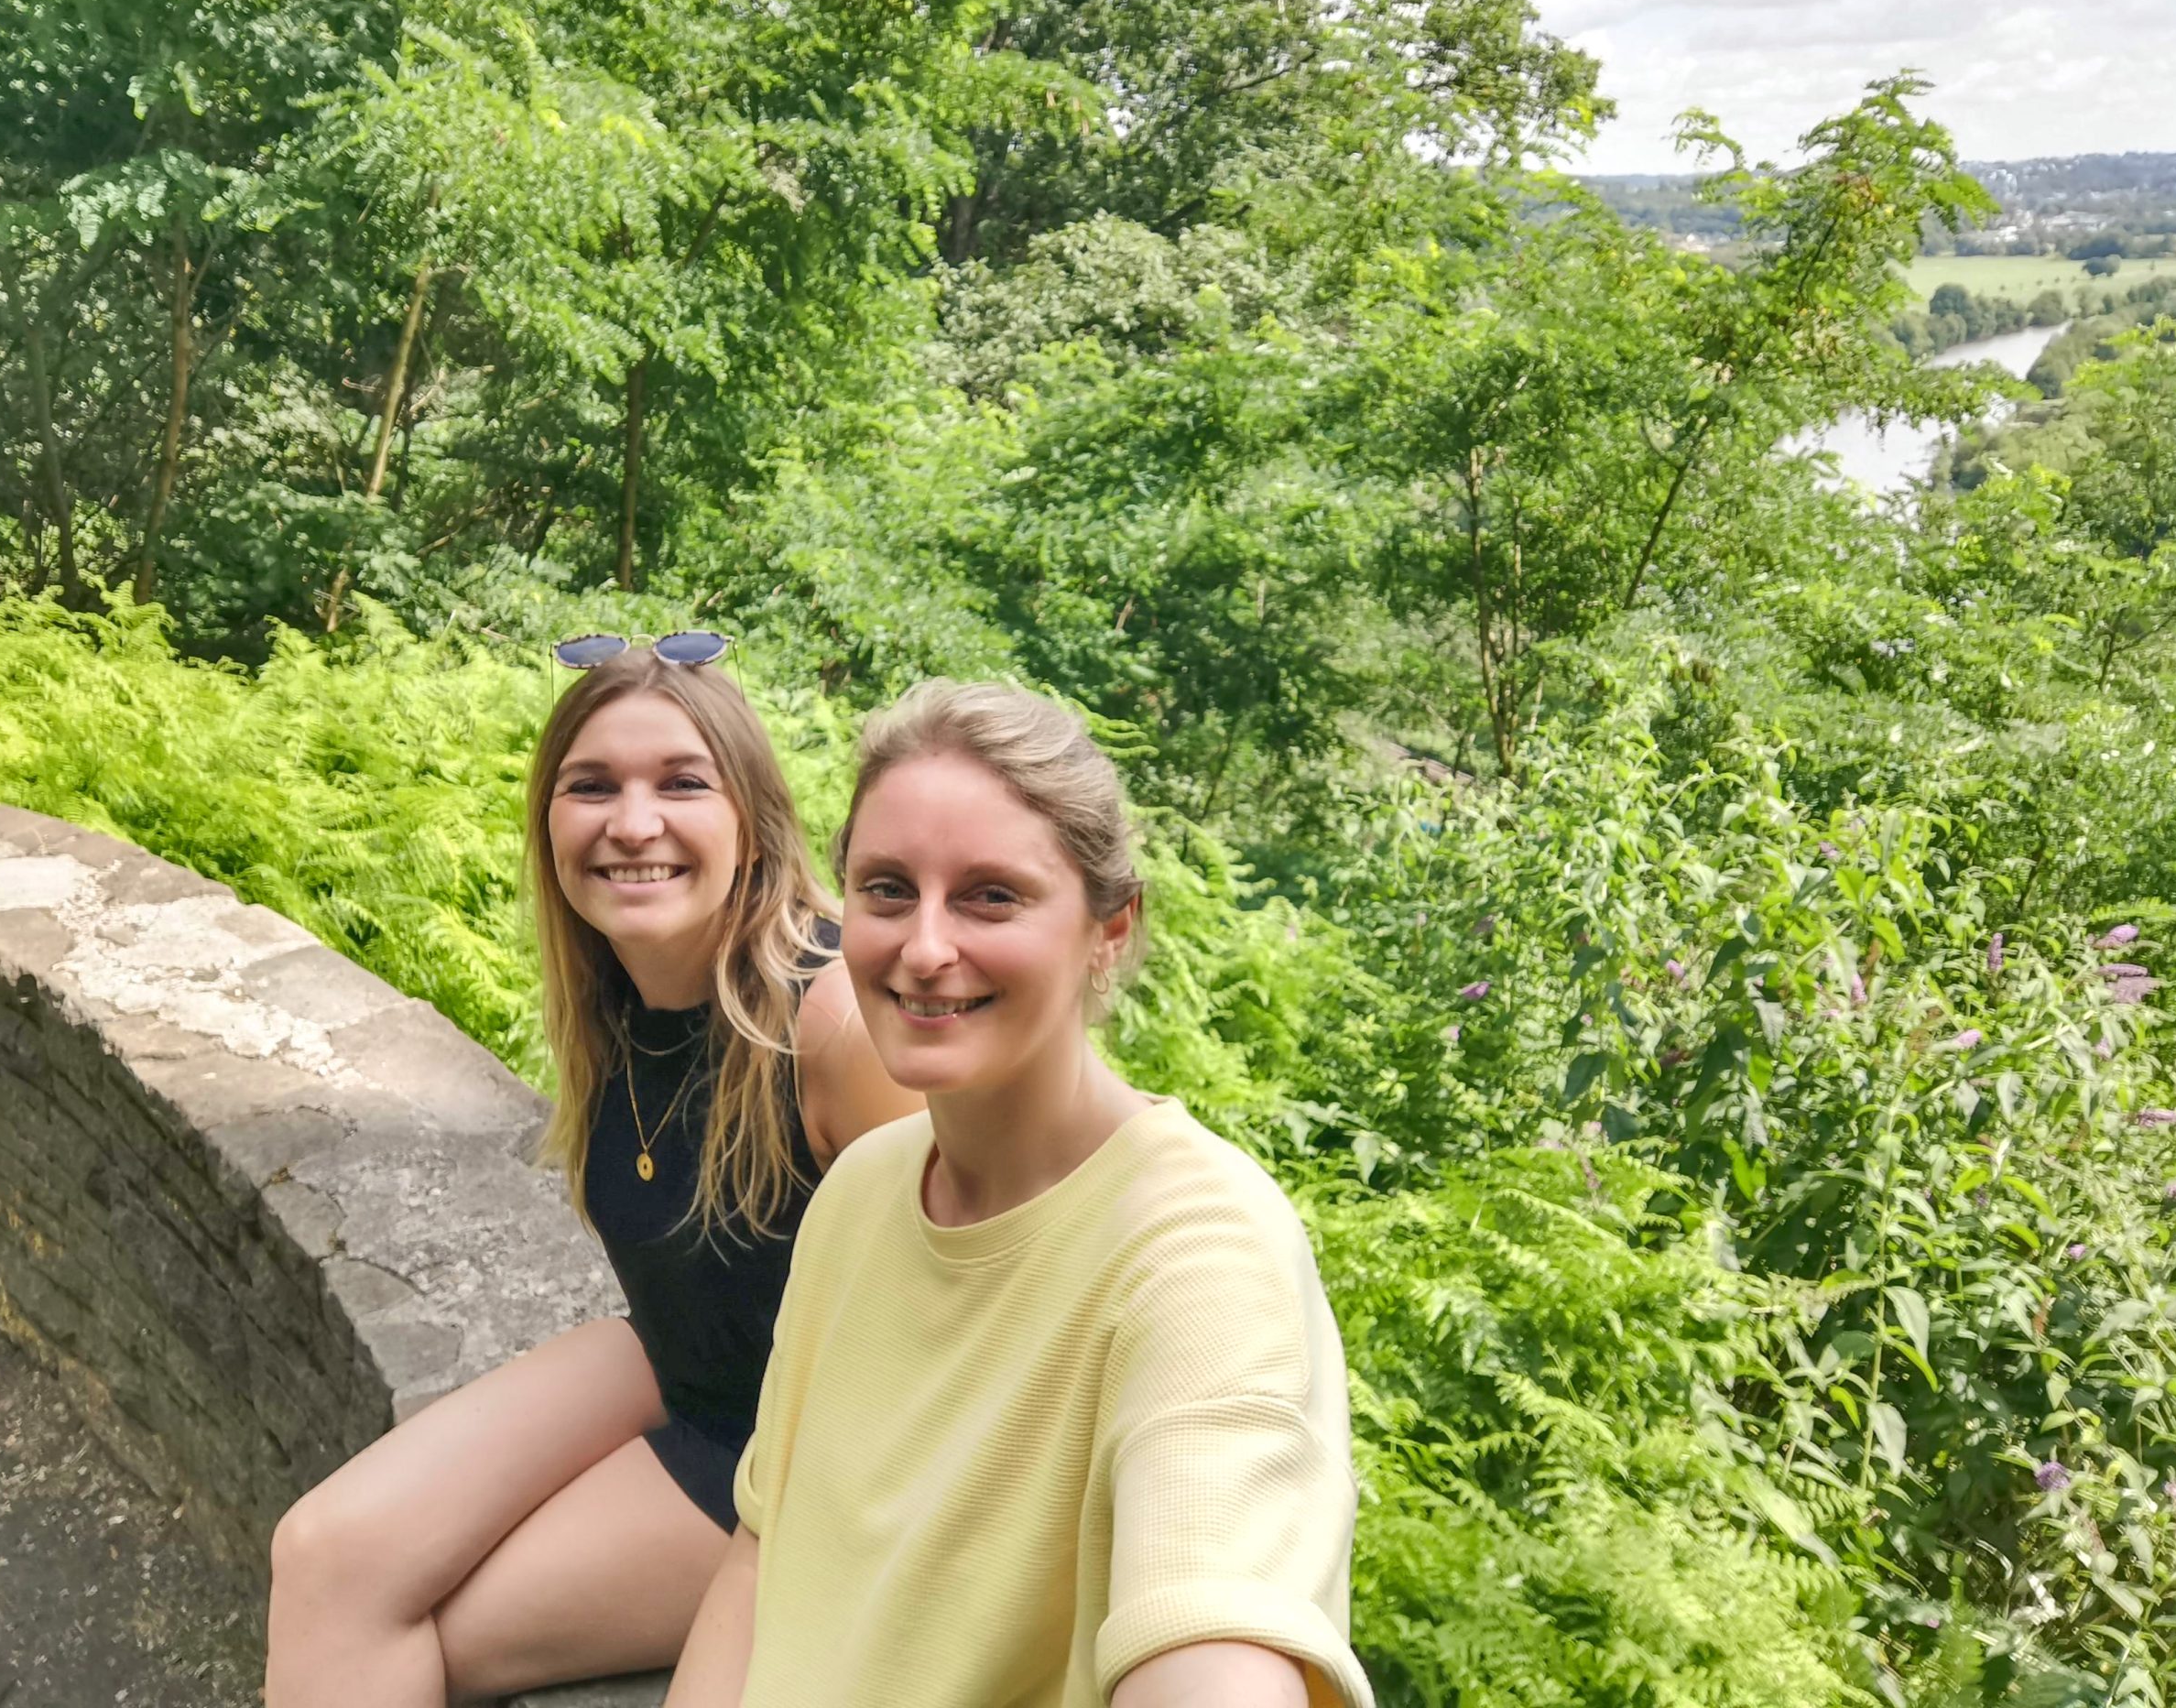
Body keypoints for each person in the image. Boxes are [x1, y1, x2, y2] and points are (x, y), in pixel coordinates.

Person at [668, 680, 1372, 1708]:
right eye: (888, 889)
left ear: (1109, 930)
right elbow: (763, 1553)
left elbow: (1211, 1632)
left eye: (990, 895)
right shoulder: (862, 1191)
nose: (924, 948)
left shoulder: (1199, 1252)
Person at [266, 636, 916, 1707]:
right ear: (550, 824)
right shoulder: (619, 999)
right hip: (680, 1363)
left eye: (681, 783)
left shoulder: (834, 1021)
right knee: (323, 1552)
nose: (632, 822)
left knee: (426, 1634)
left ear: (750, 823)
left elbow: (979, 1307)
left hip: (804, 1456)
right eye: (591, 786)